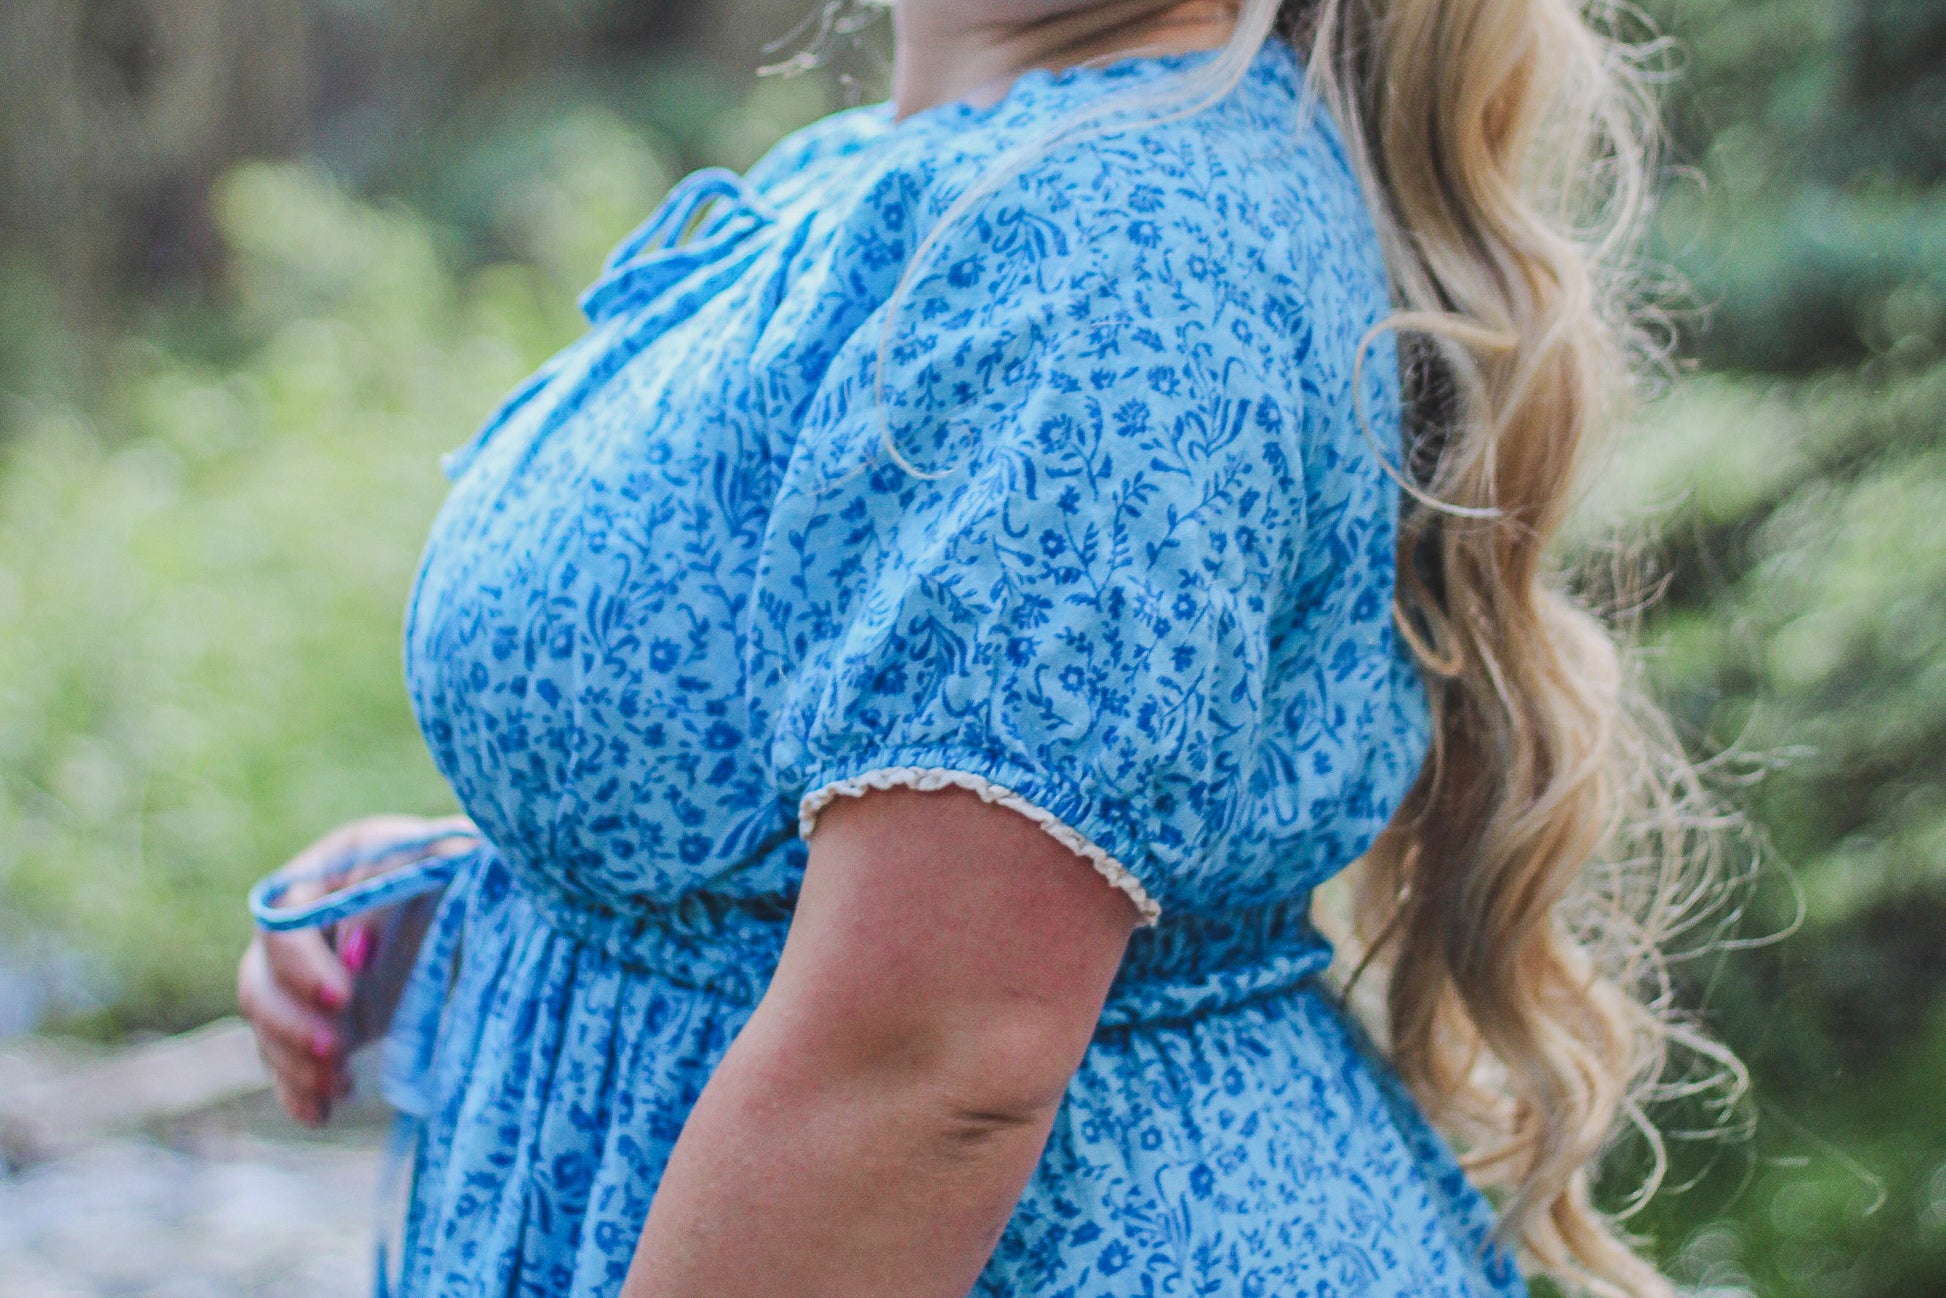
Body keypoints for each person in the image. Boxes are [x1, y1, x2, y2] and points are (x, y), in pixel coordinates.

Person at [236, 1, 1729, 1294]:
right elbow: (846, 836)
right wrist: (491, 903)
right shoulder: (895, 180)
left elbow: (928, 1067)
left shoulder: (1110, 245)